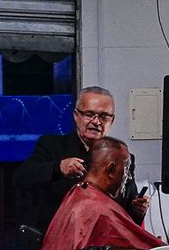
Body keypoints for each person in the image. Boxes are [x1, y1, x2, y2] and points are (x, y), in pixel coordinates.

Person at [14, 87, 149, 240]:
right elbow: (21, 178)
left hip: (104, 246)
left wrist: (138, 210)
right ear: (76, 116)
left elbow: (126, 211)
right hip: (56, 242)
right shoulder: (52, 145)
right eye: (89, 114)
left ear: (112, 120)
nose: (96, 122)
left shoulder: (122, 157)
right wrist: (58, 167)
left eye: (104, 116)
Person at [34, 138, 166, 250]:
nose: (129, 177)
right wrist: (158, 249)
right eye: (126, 169)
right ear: (111, 169)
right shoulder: (97, 208)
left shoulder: (80, 193)